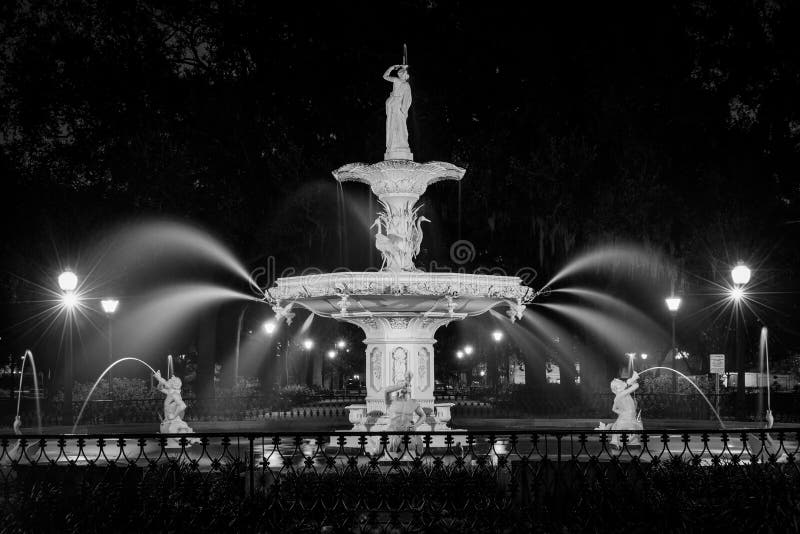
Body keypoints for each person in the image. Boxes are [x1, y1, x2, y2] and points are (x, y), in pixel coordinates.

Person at [597, 371, 643, 447]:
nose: (623, 384)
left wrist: (622, 412)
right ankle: (625, 442)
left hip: (627, 415)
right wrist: (632, 380)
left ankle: (620, 442)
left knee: (627, 429)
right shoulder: (621, 394)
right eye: (621, 384)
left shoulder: (619, 396)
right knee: (632, 429)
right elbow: (636, 386)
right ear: (617, 388)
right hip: (628, 416)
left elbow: (613, 409)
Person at [383, 372, 426, 454]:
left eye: (407, 385)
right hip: (393, 432)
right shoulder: (391, 401)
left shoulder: (413, 402)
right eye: (402, 385)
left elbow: (423, 415)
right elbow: (386, 391)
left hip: (408, 432)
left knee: (412, 453)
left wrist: (415, 426)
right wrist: (402, 385)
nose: (405, 386)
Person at [383, 64, 412, 159]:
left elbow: (385, 76)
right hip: (395, 105)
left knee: (396, 125)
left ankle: (397, 145)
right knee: (395, 124)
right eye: (400, 73)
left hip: (394, 104)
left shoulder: (402, 83)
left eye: (402, 74)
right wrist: (404, 111)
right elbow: (408, 100)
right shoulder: (401, 82)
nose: (401, 75)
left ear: (405, 75)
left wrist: (392, 67)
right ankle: (395, 145)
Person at [153, 370, 194, 435]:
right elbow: (160, 388)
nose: (168, 380)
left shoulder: (174, 394)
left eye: (170, 380)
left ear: (173, 385)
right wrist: (160, 380)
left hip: (173, 422)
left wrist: (174, 416)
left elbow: (183, 406)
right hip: (168, 421)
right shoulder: (170, 393)